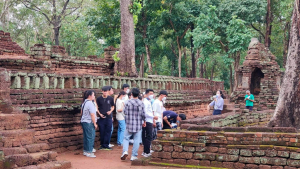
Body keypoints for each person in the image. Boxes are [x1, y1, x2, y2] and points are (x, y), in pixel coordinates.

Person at [121, 88, 146, 161]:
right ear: (138, 94)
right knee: (137, 140)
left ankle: (125, 151)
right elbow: (143, 114)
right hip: (138, 124)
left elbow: (124, 112)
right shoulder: (141, 103)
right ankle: (134, 155)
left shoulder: (127, 102)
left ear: (131, 94)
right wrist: (144, 122)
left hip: (129, 124)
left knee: (126, 138)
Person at [81, 90, 98, 158]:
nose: (94, 96)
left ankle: (86, 150)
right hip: (89, 122)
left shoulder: (84, 103)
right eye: (93, 95)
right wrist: (94, 123)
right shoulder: (90, 103)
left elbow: (81, 112)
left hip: (84, 121)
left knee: (86, 137)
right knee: (90, 137)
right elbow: (92, 114)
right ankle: (89, 152)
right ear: (89, 96)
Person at [141, 89, 157, 157]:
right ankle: (146, 151)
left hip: (148, 120)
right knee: (148, 136)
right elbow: (145, 113)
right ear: (146, 94)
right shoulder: (145, 102)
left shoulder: (148, 101)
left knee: (147, 136)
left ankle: (146, 150)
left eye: (152, 94)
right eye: (150, 93)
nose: (151, 95)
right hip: (147, 120)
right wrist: (153, 116)